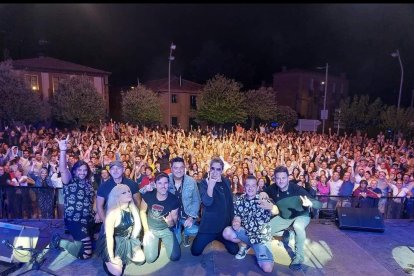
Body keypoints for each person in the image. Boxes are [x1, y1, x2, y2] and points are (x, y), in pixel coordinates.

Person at [260, 165, 322, 271]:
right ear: (274, 178)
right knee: (263, 231)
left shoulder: (297, 189)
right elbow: (263, 192)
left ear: (288, 178)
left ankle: (298, 258)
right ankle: (287, 233)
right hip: (284, 217)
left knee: (297, 226)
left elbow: (319, 204)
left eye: (283, 178)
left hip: (301, 215)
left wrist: (310, 203)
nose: (281, 181)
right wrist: (263, 196)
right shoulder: (273, 188)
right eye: (278, 178)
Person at [51, 135, 95, 260]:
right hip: (74, 220)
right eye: (79, 170)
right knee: (86, 254)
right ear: (74, 171)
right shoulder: (70, 180)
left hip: (88, 220)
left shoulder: (88, 184)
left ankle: (78, 239)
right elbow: (63, 169)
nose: (82, 172)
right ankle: (59, 241)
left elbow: (93, 200)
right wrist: (63, 150)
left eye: (85, 170)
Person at [222, 176, 274, 273]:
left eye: (253, 186)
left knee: (268, 269)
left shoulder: (263, 198)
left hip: (260, 238)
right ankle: (246, 245)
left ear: (257, 187)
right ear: (244, 187)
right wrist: (236, 222)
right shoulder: (239, 200)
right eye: (247, 185)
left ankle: (254, 247)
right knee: (227, 232)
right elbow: (237, 217)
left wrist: (270, 207)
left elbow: (275, 210)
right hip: (246, 234)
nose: (250, 188)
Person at [191, 157, 239, 256]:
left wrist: (232, 221)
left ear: (222, 170)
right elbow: (207, 202)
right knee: (195, 251)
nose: (215, 171)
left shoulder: (226, 182)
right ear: (209, 168)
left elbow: (230, 203)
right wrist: (211, 186)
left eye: (218, 169)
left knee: (234, 250)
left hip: (224, 227)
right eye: (213, 168)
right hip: (208, 227)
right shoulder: (204, 183)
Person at [95, 184, 145, 276]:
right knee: (117, 273)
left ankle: (124, 254)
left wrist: (133, 243)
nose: (129, 193)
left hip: (127, 239)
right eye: (124, 192)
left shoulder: (132, 208)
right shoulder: (112, 213)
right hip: (113, 242)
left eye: (129, 191)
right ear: (117, 196)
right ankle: (107, 260)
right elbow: (109, 238)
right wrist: (112, 257)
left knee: (140, 260)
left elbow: (137, 228)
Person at [140, 173, 181, 263]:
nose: (163, 186)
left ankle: (168, 240)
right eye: (160, 183)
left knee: (175, 256)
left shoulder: (174, 200)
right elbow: (142, 211)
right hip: (151, 229)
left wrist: (170, 223)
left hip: (166, 230)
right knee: (150, 259)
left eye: (165, 183)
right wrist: (146, 230)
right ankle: (155, 242)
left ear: (168, 184)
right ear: (155, 184)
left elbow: (173, 222)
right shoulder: (148, 195)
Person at [96, 160, 141, 226]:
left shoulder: (132, 184)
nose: (115, 171)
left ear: (123, 170)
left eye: (118, 168)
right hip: (110, 219)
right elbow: (99, 206)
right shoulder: (103, 186)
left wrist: (133, 218)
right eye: (113, 169)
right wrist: (106, 222)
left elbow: (138, 202)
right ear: (110, 171)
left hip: (128, 220)